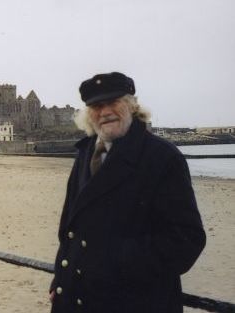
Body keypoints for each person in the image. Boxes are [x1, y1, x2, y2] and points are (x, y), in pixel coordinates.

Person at [49, 72, 206, 313]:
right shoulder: (85, 153)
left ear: (132, 106)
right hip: (77, 300)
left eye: (113, 102)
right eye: (96, 106)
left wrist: (112, 258)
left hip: (133, 302)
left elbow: (186, 241)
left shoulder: (163, 158)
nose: (105, 112)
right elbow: (69, 227)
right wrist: (61, 278)